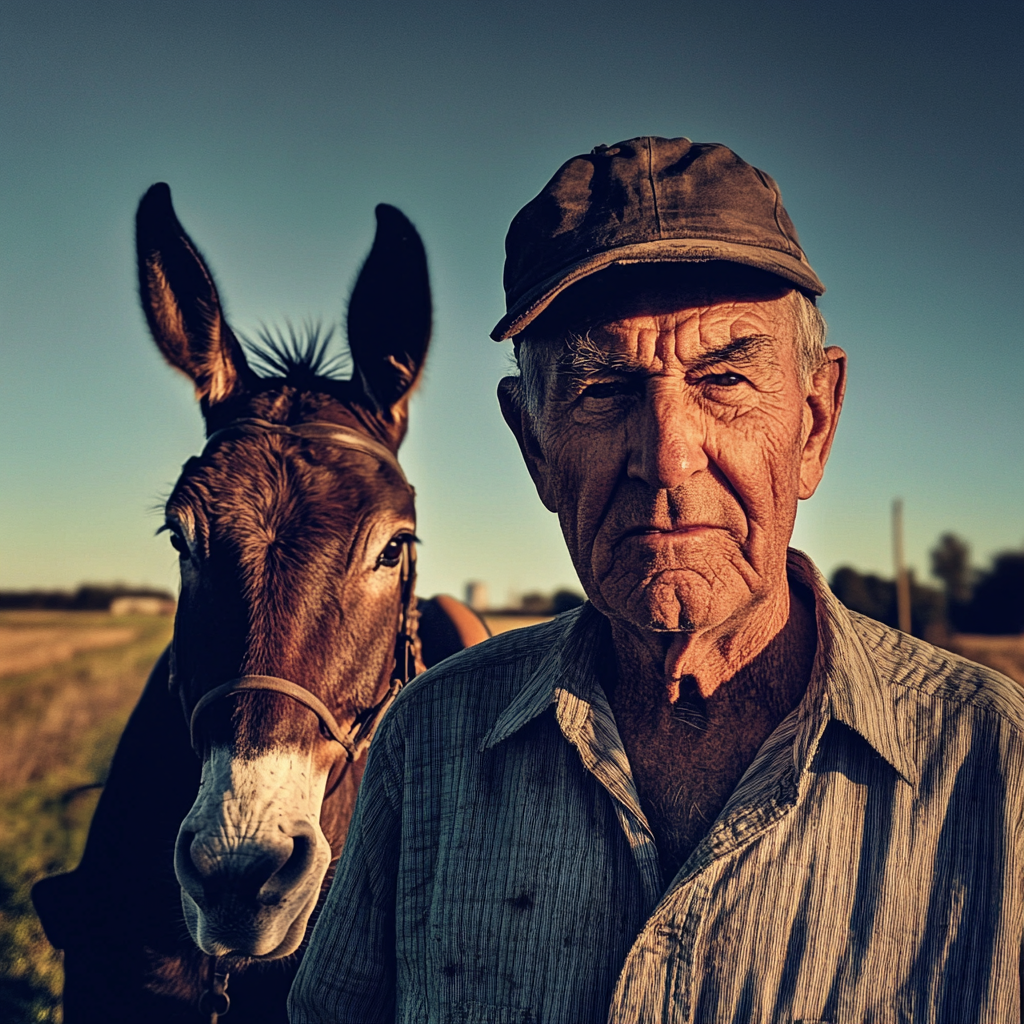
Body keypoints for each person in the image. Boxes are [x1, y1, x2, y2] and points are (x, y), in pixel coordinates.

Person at [288, 137, 1024, 1023]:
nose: (668, 459)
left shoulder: (993, 766)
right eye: (604, 390)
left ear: (816, 423)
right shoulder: (430, 745)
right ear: (533, 446)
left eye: (725, 379)